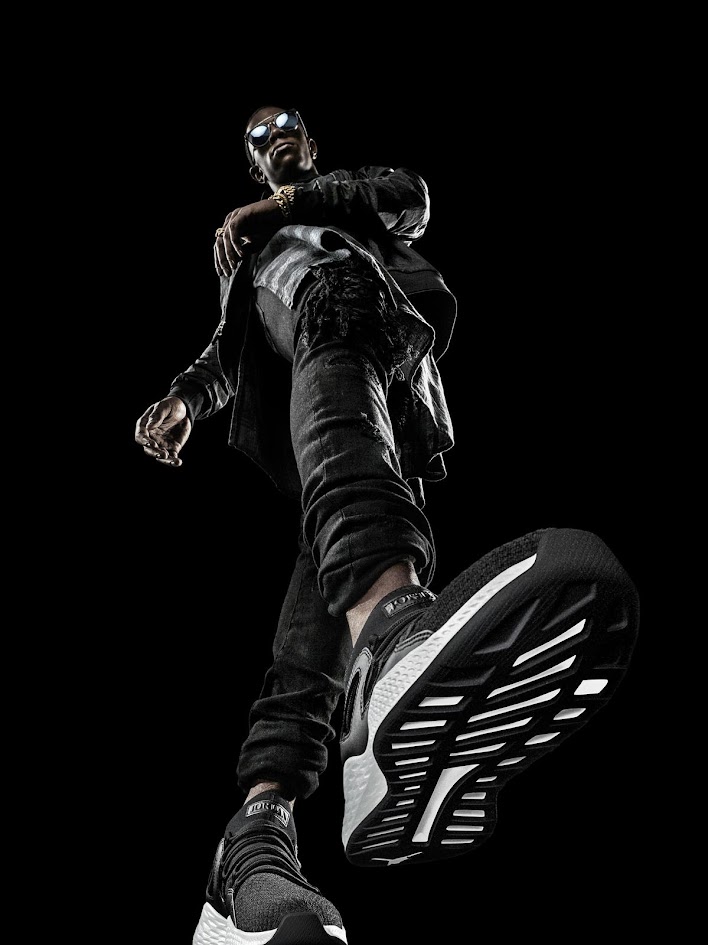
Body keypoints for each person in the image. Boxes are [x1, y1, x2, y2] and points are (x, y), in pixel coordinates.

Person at [135, 105, 640, 945]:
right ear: (253, 164)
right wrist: (184, 401)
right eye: (259, 137)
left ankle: (255, 838)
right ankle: (392, 640)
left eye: (287, 124)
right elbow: (227, 352)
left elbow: (409, 196)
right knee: (354, 482)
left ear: (310, 143)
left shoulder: (350, 198)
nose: (275, 135)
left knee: (314, 623)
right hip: (329, 339)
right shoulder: (256, 253)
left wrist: (283, 204)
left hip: (382, 398)